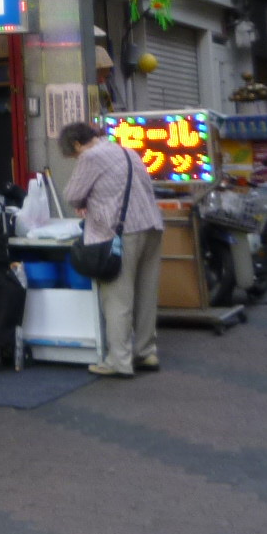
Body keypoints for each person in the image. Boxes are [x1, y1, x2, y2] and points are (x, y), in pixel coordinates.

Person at [59, 121, 165, 377]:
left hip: (121, 233)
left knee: (118, 298)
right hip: (151, 227)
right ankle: (145, 352)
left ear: (76, 144)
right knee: (145, 294)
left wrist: (84, 201)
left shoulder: (91, 157)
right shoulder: (127, 151)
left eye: (72, 155)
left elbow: (72, 195)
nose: (75, 159)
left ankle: (119, 361)